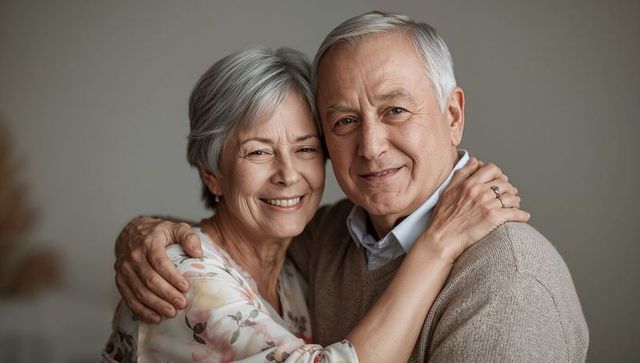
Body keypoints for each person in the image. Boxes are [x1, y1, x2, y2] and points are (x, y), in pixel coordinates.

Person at [113, 11, 588, 362]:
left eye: (395, 110)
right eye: (344, 121)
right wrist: (143, 232)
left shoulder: (509, 282)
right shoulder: (324, 238)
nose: (372, 146)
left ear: (453, 115)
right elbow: (224, 250)